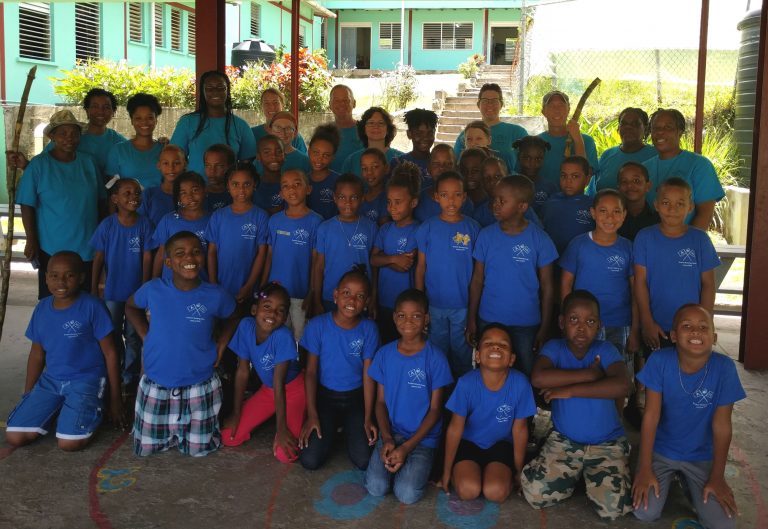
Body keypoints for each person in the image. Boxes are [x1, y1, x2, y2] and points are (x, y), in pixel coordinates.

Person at [521, 290, 633, 520]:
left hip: (606, 443)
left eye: (590, 321)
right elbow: (539, 378)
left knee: (614, 509)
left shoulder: (605, 350)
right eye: (574, 319)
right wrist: (588, 375)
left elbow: (622, 386)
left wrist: (568, 391)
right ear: (562, 322)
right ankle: (580, 475)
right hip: (566, 440)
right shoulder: (554, 348)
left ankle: (590, 475)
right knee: (535, 494)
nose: (581, 327)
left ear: (600, 325)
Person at [632, 304, 745, 529]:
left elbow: (722, 426)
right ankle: (654, 467)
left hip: (701, 455)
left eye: (703, 327)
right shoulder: (660, 361)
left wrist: (718, 476)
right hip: (662, 451)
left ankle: (685, 480)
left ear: (713, 337)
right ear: (673, 336)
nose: (695, 331)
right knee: (645, 512)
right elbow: (651, 416)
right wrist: (645, 468)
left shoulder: (724, 368)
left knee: (724, 524)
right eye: (687, 326)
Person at [126, 231, 237, 456]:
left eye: (196, 252)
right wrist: (145, 334)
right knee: (146, 450)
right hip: (157, 382)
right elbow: (130, 306)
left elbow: (234, 316)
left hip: (199, 384)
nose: (190, 258)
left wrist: (222, 342)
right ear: (168, 262)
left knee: (198, 450)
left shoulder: (215, 295)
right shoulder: (153, 289)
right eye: (180, 253)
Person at [5, 251, 123, 451]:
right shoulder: (42, 309)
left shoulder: (92, 306)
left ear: (81, 278)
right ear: (46, 278)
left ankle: (93, 407)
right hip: (51, 381)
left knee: (69, 443)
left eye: (69, 275)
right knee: (15, 436)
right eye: (54, 275)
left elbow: (111, 353)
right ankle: (61, 407)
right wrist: (28, 393)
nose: (61, 281)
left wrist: (115, 400)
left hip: (86, 380)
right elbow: (37, 354)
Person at [365, 289, 452, 504]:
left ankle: (411, 465)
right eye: (402, 315)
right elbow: (380, 402)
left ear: (426, 319)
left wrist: (406, 447)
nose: (408, 321)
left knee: (407, 494)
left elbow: (435, 411)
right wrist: (386, 438)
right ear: (394, 317)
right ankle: (396, 462)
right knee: (376, 488)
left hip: (423, 439)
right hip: (392, 433)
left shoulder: (436, 359)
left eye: (416, 315)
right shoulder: (384, 355)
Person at [468, 174, 557, 376]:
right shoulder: (486, 236)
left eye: (503, 201)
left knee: (526, 370)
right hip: (488, 318)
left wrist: (544, 327)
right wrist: (472, 319)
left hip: (526, 323)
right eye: (495, 199)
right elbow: (477, 281)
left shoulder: (540, 239)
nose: (495, 204)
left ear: (522, 207)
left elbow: (548, 287)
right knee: (488, 371)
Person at [16, 110, 105, 299]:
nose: (69, 138)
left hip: (87, 247)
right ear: (52, 136)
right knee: (53, 301)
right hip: (51, 248)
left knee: (85, 300)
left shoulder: (88, 162)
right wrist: (31, 239)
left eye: (74, 133)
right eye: (62, 133)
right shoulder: (39, 165)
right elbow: (27, 205)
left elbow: (101, 201)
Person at [442, 324, 536, 502]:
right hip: (469, 444)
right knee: (468, 490)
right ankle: (460, 473)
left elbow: (520, 430)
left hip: (501, 445)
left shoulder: (521, 384)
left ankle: (498, 475)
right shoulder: (466, 383)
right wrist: (445, 472)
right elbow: (455, 429)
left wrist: (518, 471)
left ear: (512, 359)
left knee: (495, 492)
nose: (496, 347)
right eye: (488, 343)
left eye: (503, 344)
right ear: (477, 356)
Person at [298, 267, 380, 470]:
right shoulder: (318, 326)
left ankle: (346, 430)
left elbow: (368, 375)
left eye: (360, 296)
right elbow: (310, 372)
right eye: (346, 293)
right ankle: (332, 429)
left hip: (355, 399)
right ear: (335, 295)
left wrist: (369, 416)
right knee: (310, 460)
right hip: (325, 398)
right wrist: (312, 414)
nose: (352, 301)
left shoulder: (369, 329)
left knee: (364, 461)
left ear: (367, 302)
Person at [220, 283, 306, 462]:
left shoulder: (282, 336)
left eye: (280, 311)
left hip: (294, 390)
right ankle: (272, 415)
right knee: (228, 436)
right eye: (267, 306)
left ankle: (300, 417)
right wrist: (237, 413)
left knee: (286, 454)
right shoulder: (245, 326)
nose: (272, 314)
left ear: (284, 318)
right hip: (269, 390)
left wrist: (281, 430)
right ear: (254, 309)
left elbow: (279, 384)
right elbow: (243, 371)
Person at [634, 177, 719, 352]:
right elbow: (640, 282)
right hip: (657, 325)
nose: (672, 209)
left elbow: (708, 285)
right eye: (666, 203)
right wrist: (647, 321)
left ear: (690, 207)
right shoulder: (644, 237)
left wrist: (705, 324)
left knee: (690, 373)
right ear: (656, 205)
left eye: (680, 204)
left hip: (691, 329)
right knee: (655, 374)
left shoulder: (700, 240)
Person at [560, 188, 637, 380]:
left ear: (624, 215)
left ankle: (617, 411)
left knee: (617, 376)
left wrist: (635, 329)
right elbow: (565, 285)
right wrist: (567, 319)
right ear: (593, 213)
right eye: (603, 211)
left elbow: (636, 290)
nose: (610, 217)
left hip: (619, 322)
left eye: (616, 211)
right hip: (582, 323)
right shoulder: (578, 244)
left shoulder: (628, 247)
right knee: (585, 372)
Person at [90, 178, 154, 393]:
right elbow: (98, 258)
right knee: (113, 334)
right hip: (112, 293)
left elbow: (147, 259)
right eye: (127, 193)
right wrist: (93, 288)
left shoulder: (144, 224)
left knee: (135, 336)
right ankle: (113, 374)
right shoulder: (107, 225)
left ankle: (129, 378)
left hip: (136, 294)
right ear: (115, 199)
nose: (133, 197)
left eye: (137, 193)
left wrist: (145, 290)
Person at [414, 170, 480, 377]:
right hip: (434, 304)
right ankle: (439, 391)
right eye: (444, 195)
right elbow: (420, 268)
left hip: (462, 304)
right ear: (436, 197)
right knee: (437, 349)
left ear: (464, 196)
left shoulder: (473, 228)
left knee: (462, 350)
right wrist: (420, 305)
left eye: (457, 194)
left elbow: (478, 273)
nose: (451, 201)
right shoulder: (428, 228)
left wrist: (472, 311)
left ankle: (461, 391)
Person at [264, 168, 323, 340]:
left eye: (297, 184)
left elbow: (316, 262)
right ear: (281, 193)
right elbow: (269, 257)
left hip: (301, 295)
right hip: (275, 293)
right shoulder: (274, 221)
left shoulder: (317, 222)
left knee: (301, 338)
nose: (292, 189)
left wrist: (312, 292)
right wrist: (263, 287)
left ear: (308, 189)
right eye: (286, 186)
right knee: (277, 336)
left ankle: (302, 368)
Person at [643, 108, 724, 230]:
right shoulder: (644, 168)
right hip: (651, 242)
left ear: (680, 132)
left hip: (686, 242)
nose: (660, 132)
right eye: (656, 128)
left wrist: (686, 244)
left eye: (668, 127)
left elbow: (705, 214)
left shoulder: (699, 165)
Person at [312, 173, 378, 314]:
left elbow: (375, 266)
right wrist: (316, 300)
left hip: (360, 298)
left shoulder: (371, 227)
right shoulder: (325, 228)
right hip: (330, 296)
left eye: (354, 197)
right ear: (335, 198)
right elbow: (318, 267)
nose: (348, 203)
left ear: (362, 198)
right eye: (342, 197)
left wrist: (373, 296)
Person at [170, 70, 256, 176]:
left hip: (230, 191)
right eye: (209, 88)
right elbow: (173, 158)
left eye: (221, 88)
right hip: (195, 190)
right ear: (203, 92)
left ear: (227, 91)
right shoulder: (187, 122)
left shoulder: (241, 126)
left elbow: (247, 165)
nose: (215, 92)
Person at [206, 161, 269, 306]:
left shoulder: (261, 216)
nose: (241, 189)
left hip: (249, 287)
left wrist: (249, 285)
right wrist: (213, 282)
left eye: (246, 184)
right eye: (235, 184)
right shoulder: (218, 216)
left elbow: (261, 254)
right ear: (227, 186)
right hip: (221, 286)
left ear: (254, 185)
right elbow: (211, 252)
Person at [371, 162, 421, 343]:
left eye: (398, 202)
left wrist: (385, 259)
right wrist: (393, 258)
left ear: (414, 202)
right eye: (389, 202)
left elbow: (405, 266)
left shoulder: (419, 231)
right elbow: (373, 260)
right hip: (384, 302)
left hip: (408, 308)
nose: (392, 207)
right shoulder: (385, 230)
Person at [150, 171, 211, 281]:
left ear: (205, 190)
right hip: (170, 284)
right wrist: (154, 281)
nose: (190, 197)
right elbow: (161, 253)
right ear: (178, 198)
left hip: (201, 284)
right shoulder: (169, 220)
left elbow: (213, 255)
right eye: (184, 193)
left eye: (195, 190)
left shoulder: (212, 220)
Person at [453, 83, 527, 164]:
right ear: (478, 104)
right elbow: (456, 165)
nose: (489, 104)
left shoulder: (517, 132)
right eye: (485, 100)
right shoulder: (465, 136)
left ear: (501, 104)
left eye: (494, 100)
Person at [587, 107, 657, 194]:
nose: (628, 127)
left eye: (635, 124)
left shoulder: (656, 155)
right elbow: (592, 192)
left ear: (646, 129)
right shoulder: (607, 155)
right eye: (624, 123)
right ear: (618, 128)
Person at [537, 90, 599, 186]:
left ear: (568, 110)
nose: (557, 110)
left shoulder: (586, 141)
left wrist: (577, 139)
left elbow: (585, 180)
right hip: (541, 199)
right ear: (543, 112)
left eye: (561, 105)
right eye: (551, 106)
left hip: (573, 200)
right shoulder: (536, 142)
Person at [105, 93, 164, 189]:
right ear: (132, 120)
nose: (144, 122)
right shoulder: (118, 151)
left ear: (156, 120)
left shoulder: (165, 149)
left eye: (149, 118)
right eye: (138, 118)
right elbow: (113, 190)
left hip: (161, 203)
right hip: (129, 204)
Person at [541, 155, 596, 255]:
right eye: (564, 176)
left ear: (587, 179)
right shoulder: (551, 201)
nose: (568, 181)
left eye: (575, 176)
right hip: (551, 258)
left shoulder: (593, 205)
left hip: (580, 259)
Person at [414, 145, 474, 223]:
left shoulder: (464, 202)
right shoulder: (419, 199)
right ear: (429, 168)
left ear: (456, 168)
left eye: (448, 164)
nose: (442, 168)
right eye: (436, 164)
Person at [341, 107, 403, 176]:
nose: (376, 126)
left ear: (388, 129)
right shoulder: (351, 161)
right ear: (364, 129)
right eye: (371, 123)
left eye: (381, 123)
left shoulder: (400, 159)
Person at [139, 144, 187, 227]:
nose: (171, 168)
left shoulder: (191, 195)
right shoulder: (148, 195)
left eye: (176, 163)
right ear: (158, 165)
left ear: (185, 164)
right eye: (166, 163)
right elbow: (140, 226)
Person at [392, 108, 438, 187]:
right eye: (419, 133)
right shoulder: (398, 163)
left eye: (430, 133)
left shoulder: (440, 164)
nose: (425, 138)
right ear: (409, 134)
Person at [251, 87, 307, 152]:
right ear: (261, 106)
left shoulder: (293, 136)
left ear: (282, 105)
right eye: (266, 103)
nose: (271, 106)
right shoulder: (252, 134)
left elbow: (303, 159)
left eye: (275, 102)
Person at [513, 135, 557, 217]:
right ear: (519, 157)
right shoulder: (509, 185)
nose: (532, 164)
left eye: (538, 159)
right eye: (527, 158)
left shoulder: (550, 188)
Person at [617, 161, 660, 241]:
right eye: (624, 181)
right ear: (618, 187)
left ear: (648, 186)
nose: (629, 185)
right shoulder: (612, 219)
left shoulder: (658, 220)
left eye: (636, 181)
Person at [307, 124, 341, 219]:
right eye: (316, 153)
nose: (319, 159)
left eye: (326, 155)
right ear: (309, 151)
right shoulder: (302, 181)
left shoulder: (340, 182)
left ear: (333, 157)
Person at [328, 84, 364, 173]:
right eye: (336, 100)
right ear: (330, 105)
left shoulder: (365, 130)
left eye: (346, 100)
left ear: (354, 103)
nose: (341, 104)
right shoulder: (324, 132)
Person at [264, 110, 311, 174]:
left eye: (288, 128)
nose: (283, 132)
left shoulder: (305, 161)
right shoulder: (262, 159)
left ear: (295, 133)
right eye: (278, 127)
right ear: (270, 131)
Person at [253, 134, 286, 215]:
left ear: (284, 155)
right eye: (267, 152)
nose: (273, 156)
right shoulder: (253, 185)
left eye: (278, 152)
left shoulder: (292, 184)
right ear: (258, 157)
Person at [360, 148, 390, 225]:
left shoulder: (388, 197)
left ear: (386, 168)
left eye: (375, 167)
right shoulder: (360, 194)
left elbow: (384, 228)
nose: (369, 172)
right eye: (364, 168)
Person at [203, 144, 236, 212]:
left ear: (230, 167)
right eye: (208, 165)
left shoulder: (238, 194)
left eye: (219, 166)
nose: (212, 171)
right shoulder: (200, 195)